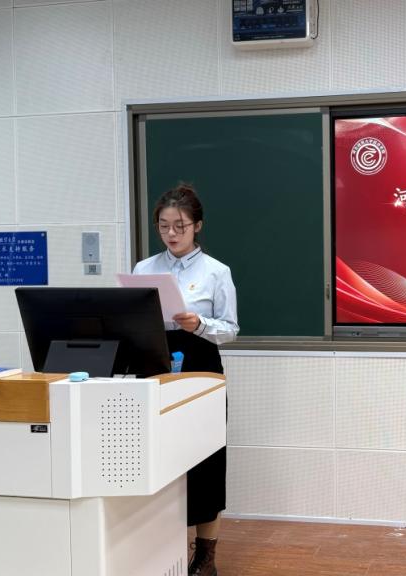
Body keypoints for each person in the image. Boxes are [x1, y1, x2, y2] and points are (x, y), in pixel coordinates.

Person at [133, 183, 238, 576]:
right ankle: (162, 550)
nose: (171, 233)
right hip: (153, 364)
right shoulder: (144, 269)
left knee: (205, 460)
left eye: (180, 226)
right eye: (164, 226)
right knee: (158, 456)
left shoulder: (216, 272)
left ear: (197, 226)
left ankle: (205, 558)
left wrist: (200, 324)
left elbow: (231, 329)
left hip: (200, 365)